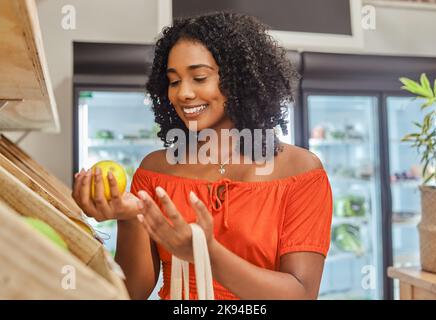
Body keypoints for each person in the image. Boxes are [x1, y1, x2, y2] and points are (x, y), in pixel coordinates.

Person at [72, 11, 333, 300]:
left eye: (199, 77)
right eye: (173, 81)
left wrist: (207, 254)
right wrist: (130, 217)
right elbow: (133, 292)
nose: (183, 93)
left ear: (238, 81)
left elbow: (300, 294)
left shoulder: (299, 171)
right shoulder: (155, 170)